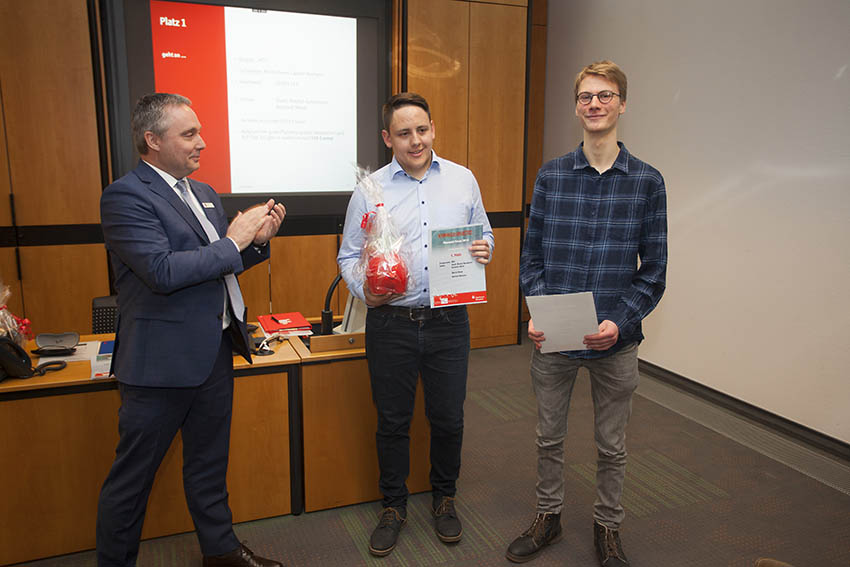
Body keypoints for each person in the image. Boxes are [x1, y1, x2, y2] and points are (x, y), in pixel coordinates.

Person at [97, 93, 286, 567]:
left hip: (214, 352)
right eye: (189, 134)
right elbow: (161, 271)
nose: (202, 143)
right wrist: (232, 240)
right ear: (152, 140)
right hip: (159, 365)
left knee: (208, 467)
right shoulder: (125, 196)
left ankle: (220, 554)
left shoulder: (204, 194)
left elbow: (217, 267)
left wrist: (255, 245)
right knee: (132, 480)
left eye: (200, 131)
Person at [508, 61, 667, 566]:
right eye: (585, 97)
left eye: (605, 95)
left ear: (622, 103)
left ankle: (607, 528)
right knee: (547, 437)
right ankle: (548, 518)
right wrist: (535, 310)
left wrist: (619, 321)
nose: (594, 104)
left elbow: (655, 270)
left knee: (612, 446)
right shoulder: (552, 175)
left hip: (615, 341)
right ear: (576, 106)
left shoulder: (646, 181)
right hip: (553, 337)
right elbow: (531, 258)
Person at [337, 92, 494, 557]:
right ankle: (394, 505)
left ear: (433, 128)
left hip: (450, 322)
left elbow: (482, 231)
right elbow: (348, 255)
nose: (415, 140)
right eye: (404, 133)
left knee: (448, 418)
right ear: (388, 138)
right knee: (392, 421)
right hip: (391, 323)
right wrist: (366, 288)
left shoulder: (463, 180)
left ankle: (444, 497)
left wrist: (486, 247)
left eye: (422, 129)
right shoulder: (370, 190)